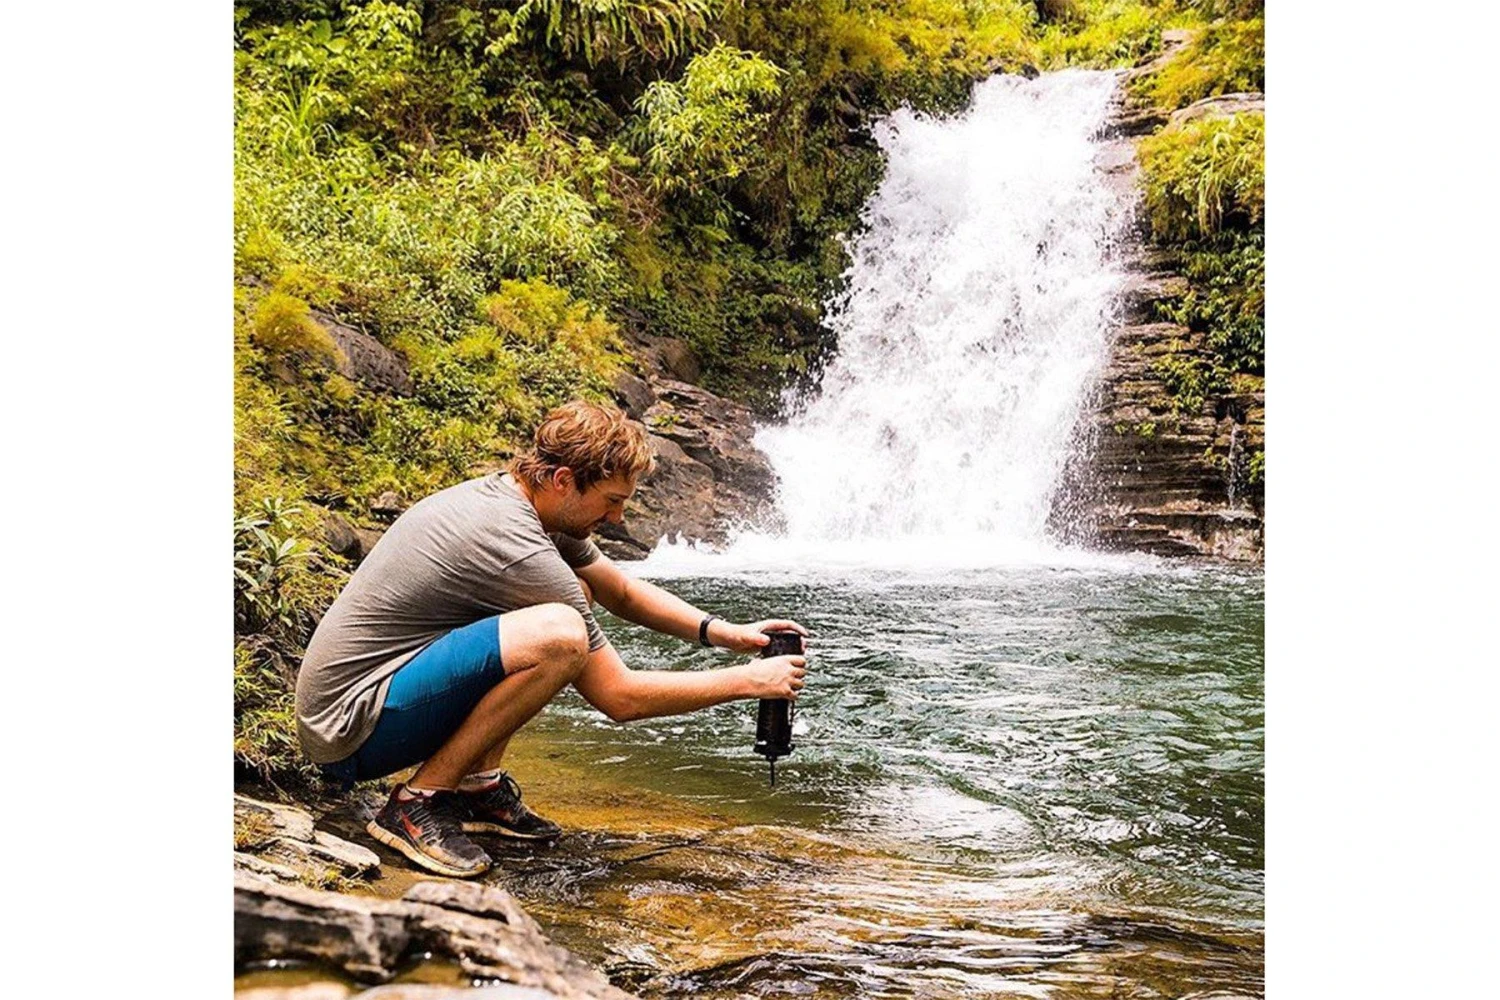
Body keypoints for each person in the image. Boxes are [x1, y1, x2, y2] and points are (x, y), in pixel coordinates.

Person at [294, 400, 809, 878]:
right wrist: (749, 682)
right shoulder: (512, 541)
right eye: (611, 501)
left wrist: (726, 633)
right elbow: (619, 697)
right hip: (350, 727)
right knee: (560, 635)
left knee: (576, 595)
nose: (617, 518)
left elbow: (621, 591)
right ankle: (417, 804)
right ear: (564, 480)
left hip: (368, 704)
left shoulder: (529, 503)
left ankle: (475, 789)